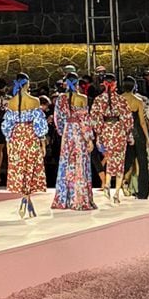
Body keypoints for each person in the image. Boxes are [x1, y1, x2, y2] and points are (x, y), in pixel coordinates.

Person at [1, 75, 48, 219]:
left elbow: (7, 126)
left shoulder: (11, 103)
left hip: (16, 138)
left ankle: (26, 200)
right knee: (30, 168)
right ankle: (25, 199)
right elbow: (39, 124)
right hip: (30, 136)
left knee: (21, 168)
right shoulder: (35, 101)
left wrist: (8, 142)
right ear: (27, 84)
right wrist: (42, 141)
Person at [52, 72, 95, 210]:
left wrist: (62, 131)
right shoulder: (82, 98)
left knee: (66, 163)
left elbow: (57, 119)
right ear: (77, 84)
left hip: (67, 132)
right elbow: (85, 121)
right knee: (80, 163)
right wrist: (89, 139)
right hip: (79, 133)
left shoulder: (60, 99)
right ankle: (80, 198)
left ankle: (65, 199)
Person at [89, 75, 133, 206]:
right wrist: (129, 134)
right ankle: (117, 193)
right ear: (115, 84)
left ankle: (107, 185)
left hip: (106, 131)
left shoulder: (98, 100)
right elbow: (127, 118)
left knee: (109, 158)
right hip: (119, 131)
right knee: (119, 161)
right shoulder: (121, 99)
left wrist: (98, 135)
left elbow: (95, 119)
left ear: (104, 83)